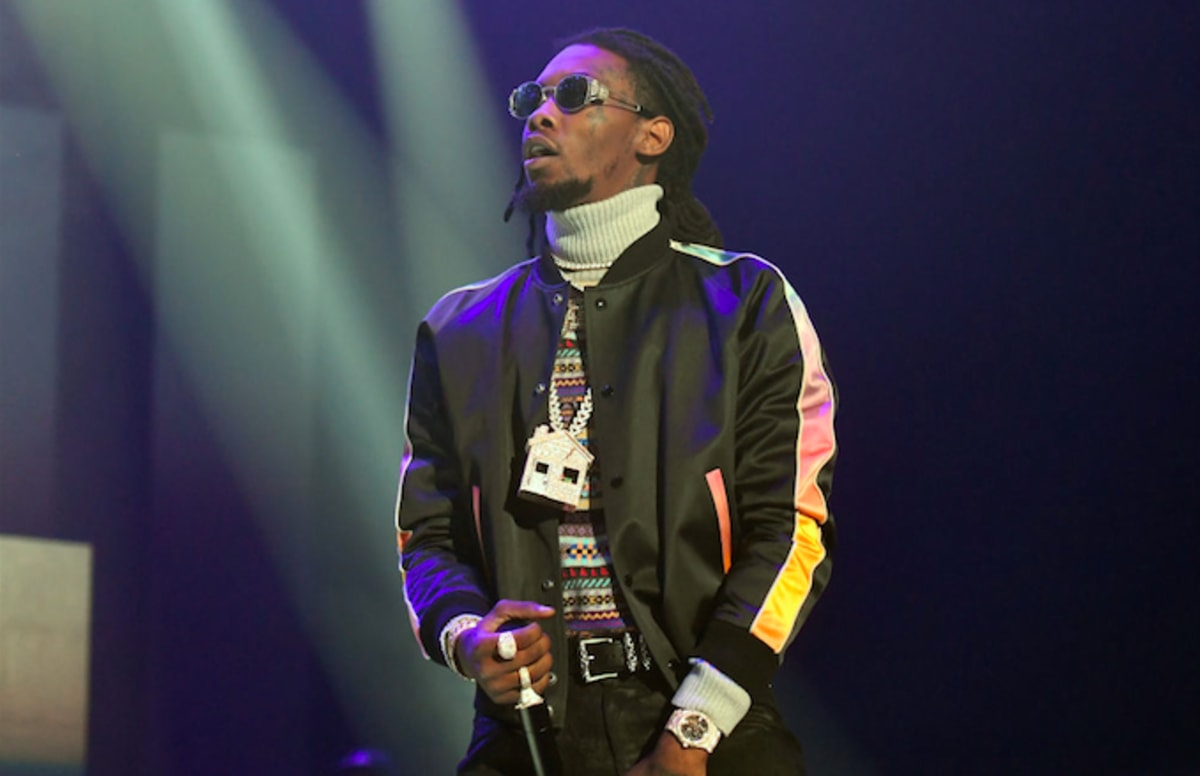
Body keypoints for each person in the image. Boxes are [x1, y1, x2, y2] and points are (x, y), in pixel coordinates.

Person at [395, 27, 837, 776]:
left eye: (573, 96)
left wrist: (693, 728)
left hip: (705, 717)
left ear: (653, 135)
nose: (541, 114)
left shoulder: (744, 304)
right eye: (532, 99)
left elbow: (791, 529)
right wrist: (468, 636)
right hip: (528, 728)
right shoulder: (458, 328)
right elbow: (426, 536)